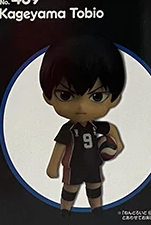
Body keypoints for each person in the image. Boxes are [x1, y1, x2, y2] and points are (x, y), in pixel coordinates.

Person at [40, 34, 126, 214]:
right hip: (73, 166)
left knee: (95, 187)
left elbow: (110, 128)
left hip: (93, 164)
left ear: (114, 99)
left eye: (97, 96)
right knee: (70, 188)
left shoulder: (95, 127)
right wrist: (52, 166)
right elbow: (60, 146)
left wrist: (117, 144)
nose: (81, 107)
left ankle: (97, 209)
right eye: (65, 95)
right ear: (48, 97)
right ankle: (65, 210)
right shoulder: (68, 129)